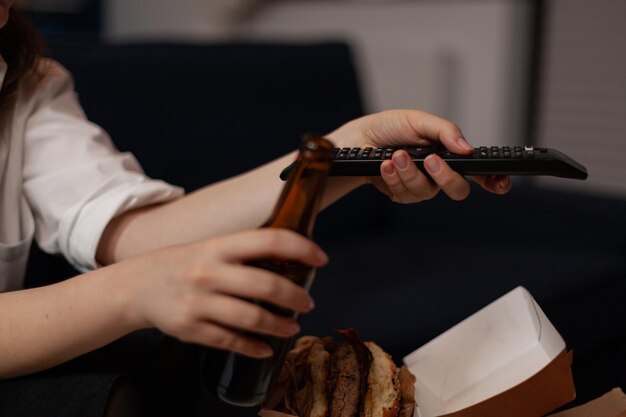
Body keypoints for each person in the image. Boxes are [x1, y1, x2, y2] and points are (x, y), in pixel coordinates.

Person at [0, 3, 512, 417]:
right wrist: (130, 291)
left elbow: (130, 228)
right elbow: (130, 278)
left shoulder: (26, 84)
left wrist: (350, 149)